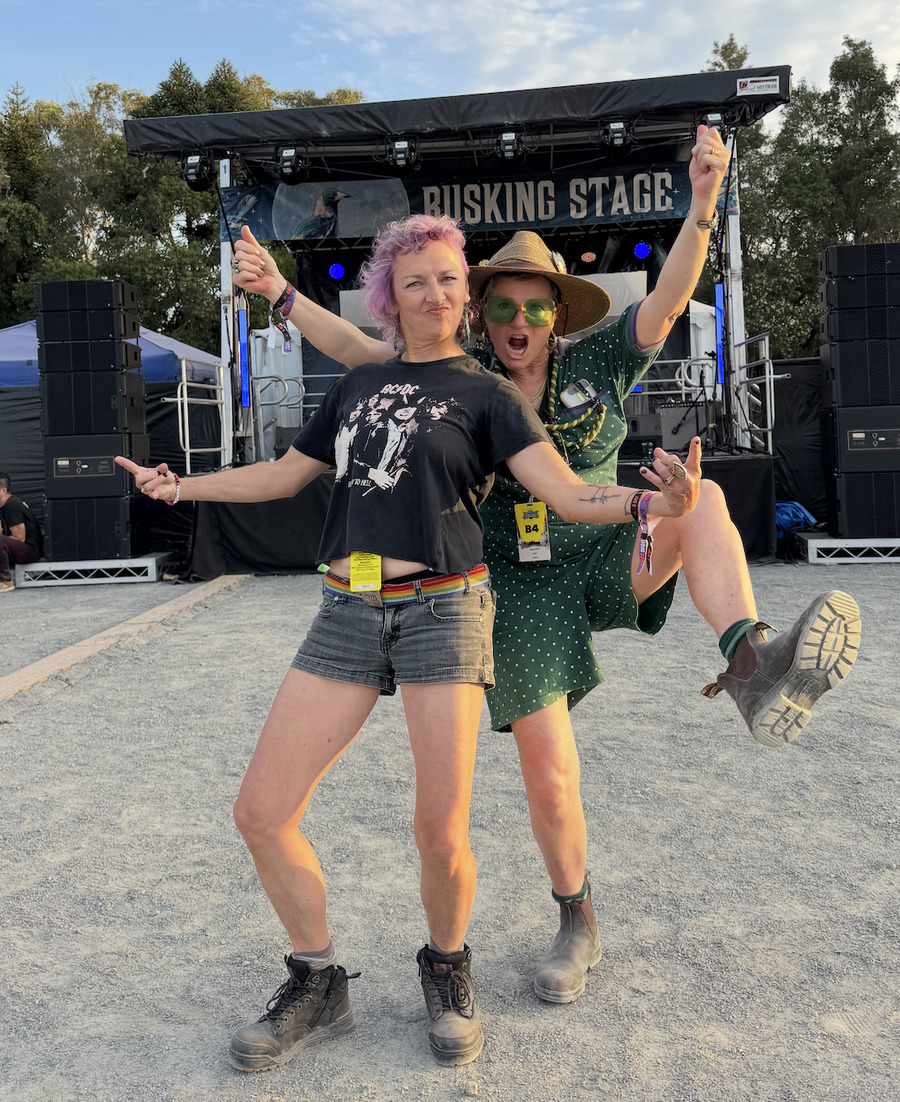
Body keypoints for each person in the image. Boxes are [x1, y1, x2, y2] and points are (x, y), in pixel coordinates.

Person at [231, 125, 861, 1006]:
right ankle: (578, 918)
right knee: (551, 774)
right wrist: (279, 293)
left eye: (534, 308)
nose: (518, 322)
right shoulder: (458, 372)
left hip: (606, 549)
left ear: (558, 314)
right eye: (502, 308)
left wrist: (704, 205)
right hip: (512, 587)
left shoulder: (602, 357)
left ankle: (751, 661)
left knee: (704, 501)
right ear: (479, 313)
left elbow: (670, 299)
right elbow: (355, 351)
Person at [116, 214, 697, 1072]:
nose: (434, 294)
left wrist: (651, 504)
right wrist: (182, 488)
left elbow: (570, 494)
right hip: (347, 609)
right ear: (390, 296)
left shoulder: (489, 394)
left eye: (449, 279)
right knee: (261, 813)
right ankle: (318, 980)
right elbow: (283, 475)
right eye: (415, 281)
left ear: (467, 297)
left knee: (441, 831)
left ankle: (447, 969)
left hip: (445, 610)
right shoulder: (359, 384)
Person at [0, 472, 43, 592]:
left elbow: (20, 538)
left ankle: (5, 582)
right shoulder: (6, 506)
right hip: (21, 549)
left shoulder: (12, 505)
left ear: (3, 490)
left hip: (29, 551)